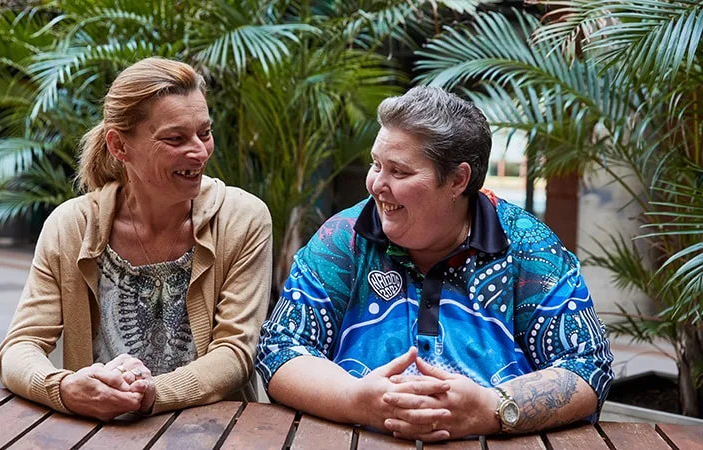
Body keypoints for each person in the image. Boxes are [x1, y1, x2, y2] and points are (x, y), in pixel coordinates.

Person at [257, 86, 613, 441]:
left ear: (458, 180)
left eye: (399, 172)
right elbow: (281, 347)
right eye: (376, 164)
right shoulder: (343, 238)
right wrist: (356, 401)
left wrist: (492, 409)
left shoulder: (528, 246)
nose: (376, 185)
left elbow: (587, 365)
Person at [0, 58, 272, 421]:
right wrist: (63, 388)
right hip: (100, 434)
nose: (200, 151)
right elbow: (19, 346)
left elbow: (235, 352)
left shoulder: (242, 218)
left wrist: (152, 393)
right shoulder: (71, 226)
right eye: (175, 138)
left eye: (204, 133)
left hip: (214, 432)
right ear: (119, 146)